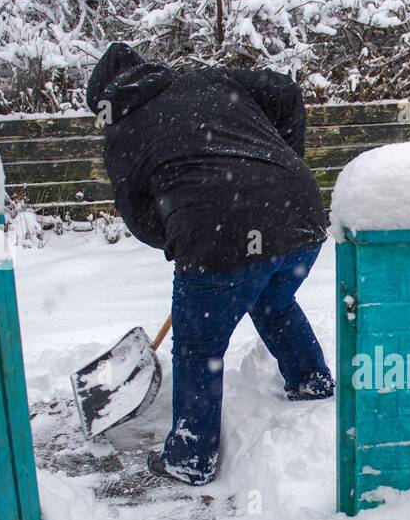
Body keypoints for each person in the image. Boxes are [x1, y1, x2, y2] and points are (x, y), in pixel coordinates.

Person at [86, 43, 332, 486]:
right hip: (301, 216)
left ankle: (190, 456)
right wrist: (285, 157)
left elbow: (140, 220)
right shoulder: (206, 79)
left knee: (199, 347)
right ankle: (311, 382)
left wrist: (191, 242)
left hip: (219, 234)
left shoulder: (122, 133)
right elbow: (285, 90)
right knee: (275, 302)